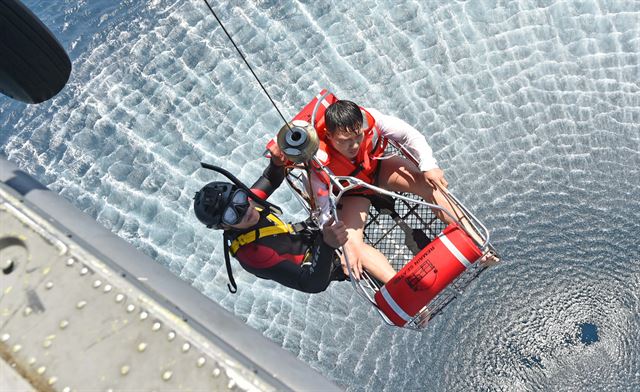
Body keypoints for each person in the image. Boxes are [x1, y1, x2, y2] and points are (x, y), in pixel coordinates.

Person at [273, 99, 489, 281]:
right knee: (351, 247)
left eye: (358, 136)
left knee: (428, 185)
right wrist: (336, 238)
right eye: (345, 141)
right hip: (353, 192)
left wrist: (428, 165)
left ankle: (477, 243)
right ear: (328, 136)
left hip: (379, 168)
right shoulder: (315, 163)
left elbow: (409, 136)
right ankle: (402, 288)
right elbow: (322, 210)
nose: (355, 145)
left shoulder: (373, 119)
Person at [193, 160, 349, 293]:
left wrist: (277, 161)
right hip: (328, 264)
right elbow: (311, 284)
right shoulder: (252, 253)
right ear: (225, 227)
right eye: (231, 215)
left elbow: (271, 177)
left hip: (323, 236)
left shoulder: (250, 201)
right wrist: (327, 246)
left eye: (240, 198)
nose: (245, 210)